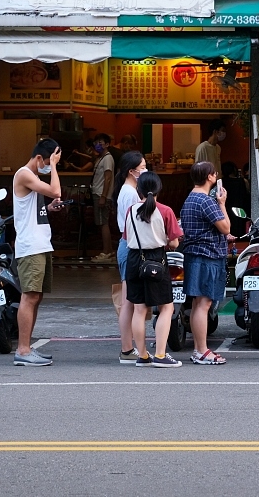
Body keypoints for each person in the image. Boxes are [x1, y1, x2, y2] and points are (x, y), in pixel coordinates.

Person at [124, 171, 184, 368]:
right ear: (159, 189)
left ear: (138, 189)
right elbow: (174, 243)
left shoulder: (130, 210)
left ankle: (142, 355)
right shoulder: (165, 211)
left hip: (134, 260)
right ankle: (160, 354)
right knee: (166, 307)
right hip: (156, 260)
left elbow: (127, 238)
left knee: (139, 309)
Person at [12, 139, 64, 366]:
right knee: (30, 295)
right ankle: (22, 350)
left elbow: (35, 207)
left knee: (37, 296)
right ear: (40, 158)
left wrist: (49, 208)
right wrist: (53, 165)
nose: (52, 165)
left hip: (41, 243)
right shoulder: (24, 174)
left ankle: (27, 347)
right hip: (31, 246)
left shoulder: (33, 179)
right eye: (52, 159)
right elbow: (56, 191)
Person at [180, 161, 231, 365]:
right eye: (214, 173)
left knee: (197, 304)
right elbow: (226, 227)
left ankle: (198, 349)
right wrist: (222, 203)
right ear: (210, 177)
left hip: (194, 254)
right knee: (204, 304)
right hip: (208, 256)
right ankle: (202, 350)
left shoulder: (190, 199)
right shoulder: (206, 201)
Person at [112, 150, 146, 364]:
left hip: (127, 246)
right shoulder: (130, 193)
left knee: (129, 302)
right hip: (131, 247)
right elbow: (133, 225)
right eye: (142, 167)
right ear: (132, 171)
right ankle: (126, 349)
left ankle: (128, 347)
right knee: (129, 302)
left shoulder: (128, 190)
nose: (145, 170)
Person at [90, 133, 116, 264]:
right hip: (99, 193)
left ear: (107, 144)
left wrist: (103, 196)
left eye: (101, 142)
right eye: (96, 143)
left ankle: (106, 252)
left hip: (101, 195)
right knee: (102, 222)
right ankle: (109, 251)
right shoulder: (101, 158)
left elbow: (108, 178)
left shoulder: (107, 159)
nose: (98, 145)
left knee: (103, 223)